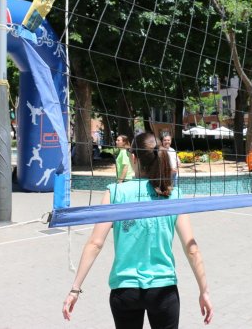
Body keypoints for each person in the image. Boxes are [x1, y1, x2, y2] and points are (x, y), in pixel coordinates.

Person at [62, 133, 213, 328]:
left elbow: (95, 243)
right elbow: (192, 249)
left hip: (125, 290)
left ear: (133, 158)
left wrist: (75, 289)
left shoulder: (115, 192)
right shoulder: (173, 194)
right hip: (163, 290)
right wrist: (204, 291)